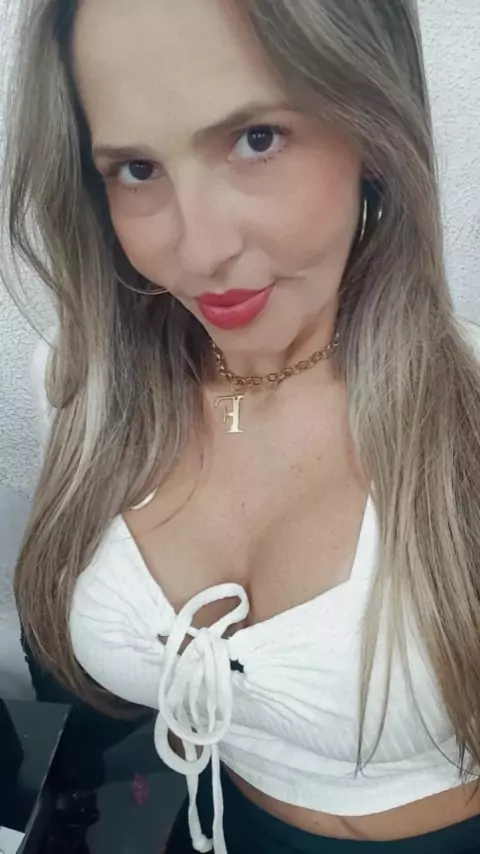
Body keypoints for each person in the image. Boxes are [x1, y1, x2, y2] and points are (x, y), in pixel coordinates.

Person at [2, 0, 480, 851]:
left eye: (257, 139)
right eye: (136, 168)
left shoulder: (466, 418)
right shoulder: (85, 386)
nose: (197, 252)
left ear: (374, 129)